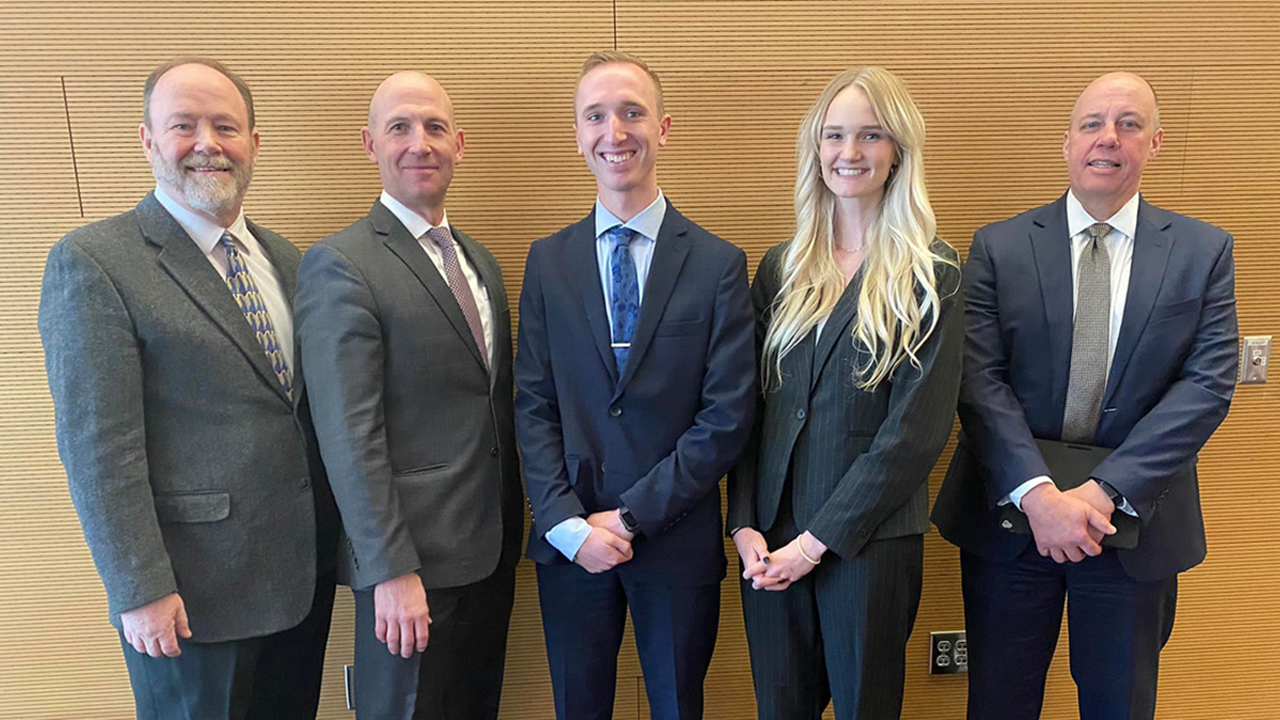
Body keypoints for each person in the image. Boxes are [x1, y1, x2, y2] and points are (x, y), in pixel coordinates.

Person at [38, 57, 338, 718]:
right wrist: (138, 587)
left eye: (225, 126)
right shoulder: (95, 261)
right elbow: (98, 447)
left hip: (298, 582)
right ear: (147, 140)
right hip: (188, 599)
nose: (207, 142)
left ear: (253, 145)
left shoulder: (288, 260)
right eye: (183, 125)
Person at [932, 71, 1238, 719]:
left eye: (1129, 124)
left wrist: (1100, 493)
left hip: (1135, 525)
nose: (1109, 138)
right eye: (1092, 123)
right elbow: (978, 379)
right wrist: (1040, 497)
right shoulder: (999, 246)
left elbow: (1207, 386)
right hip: (1012, 524)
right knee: (998, 703)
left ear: (1155, 143)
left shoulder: (1203, 251)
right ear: (1067, 141)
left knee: (1120, 705)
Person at [514, 50, 756, 720]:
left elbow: (727, 417)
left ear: (665, 127)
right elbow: (532, 404)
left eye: (631, 112)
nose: (613, 132)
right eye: (595, 115)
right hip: (569, 544)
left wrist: (627, 517)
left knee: (679, 706)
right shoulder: (548, 261)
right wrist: (565, 524)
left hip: (675, 542)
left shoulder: (717, 264)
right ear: (577, 133)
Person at [726, 67, 962, 720]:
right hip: (770, 537)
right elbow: (752, 408)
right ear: (816, 148)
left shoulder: (930, 273)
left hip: (869, 545)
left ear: (897, 152)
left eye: (869, 135)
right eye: (834, 135)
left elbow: (915, 434)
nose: (849, 153)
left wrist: (816, 543)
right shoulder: (783, 266)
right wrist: (743, 520)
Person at [295, 71, 523, 720]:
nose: (418, 143)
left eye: (434, 127)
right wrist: (387, 568)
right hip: (407, 570)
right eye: (399, 127)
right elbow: (347, 432)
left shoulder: (480, 260)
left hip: (490, 553)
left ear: (460, 144)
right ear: (370, 145)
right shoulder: (340, 262)